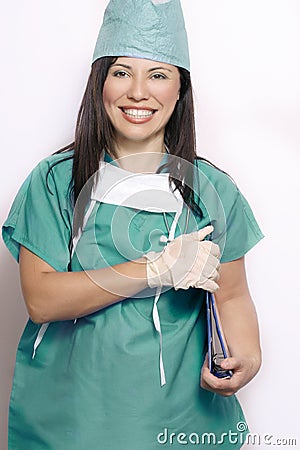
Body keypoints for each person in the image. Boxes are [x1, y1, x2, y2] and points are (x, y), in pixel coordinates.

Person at [2, 0, 264, 448]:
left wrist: (247, 358)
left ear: (180, 89)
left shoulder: (212, 190)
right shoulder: (55, 181)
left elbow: (233, 295)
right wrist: (155, 269)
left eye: (158, 75)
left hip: (183, 421)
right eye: (121, 72)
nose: (138, 92)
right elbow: (41, 299)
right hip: (73, 421)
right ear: (98, 83)